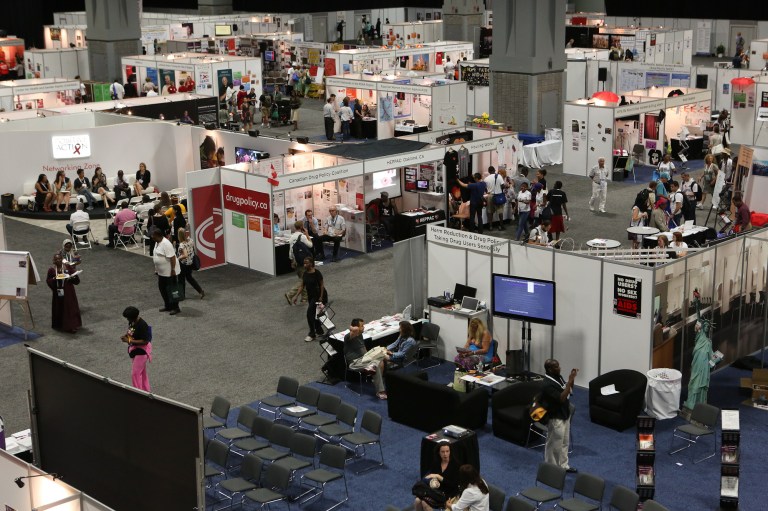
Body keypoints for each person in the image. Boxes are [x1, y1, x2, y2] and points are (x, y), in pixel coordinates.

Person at [541, 359, 578, 473]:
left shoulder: (558, 376)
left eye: (558, 366)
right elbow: (561, 398)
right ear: (549, 369)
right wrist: (570, 380)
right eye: (556, 367)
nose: (559, 368)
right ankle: (551, 469)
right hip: (555, 417)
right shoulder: (547, 384)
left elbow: (567, 391)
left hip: (565, 414)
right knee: (554, 445)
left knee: (564, 442)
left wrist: (571, 380)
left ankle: (563, 465)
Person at [683, 290, 714, 410]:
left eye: (707, 326)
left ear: (709, 329)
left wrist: (715, 360)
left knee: (701, 385)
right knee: (694, 382)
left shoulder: (708, 342)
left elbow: (711, 356)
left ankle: (700, 403)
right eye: (704, 326)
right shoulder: (700, 335)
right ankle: (691, 402)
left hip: (704, 364)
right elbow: (699, 317)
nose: (705, 327)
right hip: (697, 362)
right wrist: (697, 304)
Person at [414, 444, 460, 511]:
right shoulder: (436, 462)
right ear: (439, 452)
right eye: (443, 452)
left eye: (447, 451)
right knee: (417, 501)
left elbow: (453, 485)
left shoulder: (456, 465)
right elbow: (429, 477)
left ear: (450, 452)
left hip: (446, 494)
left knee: (425, 503)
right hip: (435, 491)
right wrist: (432, 481)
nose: (445, 454)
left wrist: (439, 477)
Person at [46, 252, 82, 333]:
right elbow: (48, 281)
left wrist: (72, 278)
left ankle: (72, 326)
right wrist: (55, 279)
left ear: (62, 259)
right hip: (58, 291)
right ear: (53, 261)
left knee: (70, 308)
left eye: (59, 259)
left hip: (68, 291)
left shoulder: (67, 267)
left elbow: (75, 277)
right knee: (59, 307)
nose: (58, 260)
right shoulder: (51, 269)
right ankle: (59, 324)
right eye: (56, 259)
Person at [292, 257, 326, 341]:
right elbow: (302, 286)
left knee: (309, 313)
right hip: (310, 296)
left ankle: (312, 334)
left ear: (311, 263)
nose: (305, 265)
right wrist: (296, 296)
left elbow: (322, 285)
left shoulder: (317, 273)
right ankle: (319, 330)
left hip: (318, 296)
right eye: (304, 263)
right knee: (315, 314)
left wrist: (321, 297)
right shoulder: (305, 274)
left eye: (306, 263)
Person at [121, 306, 152, 392]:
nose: (127, 319)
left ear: (133, 317)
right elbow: (131, 331)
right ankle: (146, 390)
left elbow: (145, 341)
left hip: (142, 351)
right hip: (135, 350)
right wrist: (126, 336)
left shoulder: (142, 325)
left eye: (128, 318)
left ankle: (138, 392)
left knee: (135, 373)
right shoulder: (132, 322)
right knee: (142, 372)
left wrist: (129, 340)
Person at [152, 228, 181, 315]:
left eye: (153, 235)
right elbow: (156, 255)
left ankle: (176, 307)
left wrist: (172, 270)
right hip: (161, 272)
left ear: (158, 235)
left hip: (170, 272)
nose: (151, 236)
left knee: (172, 290)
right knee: (162, 289)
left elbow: (172, 257)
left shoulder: (166, 244)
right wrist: (157, 269)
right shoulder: (157, 242)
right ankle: (168, 305)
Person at [286, 221, 311, 305]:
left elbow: (290, 251)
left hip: (296, 261)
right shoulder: (303, 236)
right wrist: (307, 234)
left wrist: (292, 260)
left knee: (303, 278)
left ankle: (304, 298)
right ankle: (290, 294)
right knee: (304, 280)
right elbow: (310, 245)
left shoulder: (292, 237)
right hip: (304, 261)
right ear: (302, 227)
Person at [176, 228, 205, 299]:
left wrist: (178, 258)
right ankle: (200, 291)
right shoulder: (191, 241)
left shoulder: (182, 245)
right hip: (190, 263)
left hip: (183, 265)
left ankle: (181, 295)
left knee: (181, 280)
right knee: (190, 278)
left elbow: (185, 255)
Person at [483, 166, 505, 231]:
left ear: (489, 171)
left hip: (490, 196)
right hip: (498, 195)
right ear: (494, 170)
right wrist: (500, 190)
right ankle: (501, 226)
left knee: (490, 211)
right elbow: (503, 186)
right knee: (500, 211)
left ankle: (490, 226)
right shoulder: (499, 176)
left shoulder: (486, 179)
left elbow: (485, 188)